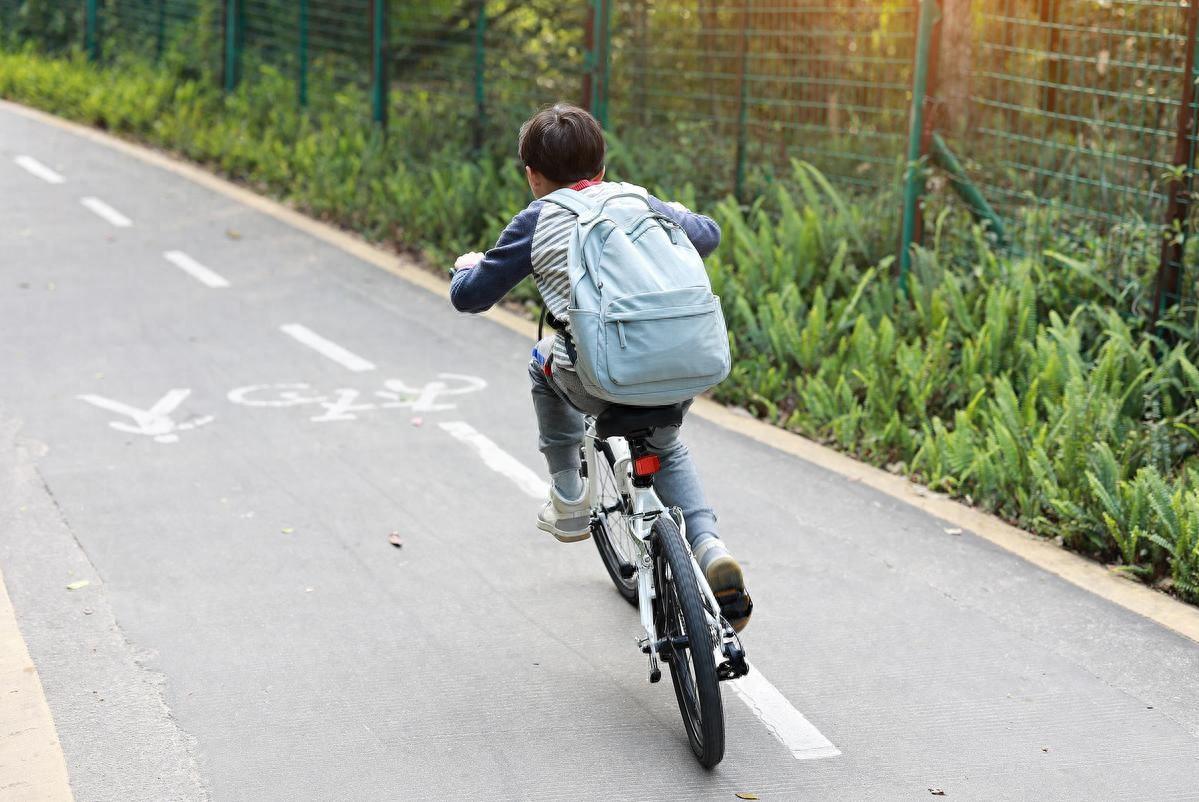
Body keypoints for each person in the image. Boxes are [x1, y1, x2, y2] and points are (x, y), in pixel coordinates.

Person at [449, 103, 749, 631]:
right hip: (683, 367)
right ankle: (709, 547)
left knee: (540, 359)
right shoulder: (637, 199)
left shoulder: (537, 218)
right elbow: (708, 235)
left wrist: (467, 267)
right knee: (668, 446)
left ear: (533, 175)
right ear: (603, 167)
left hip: (597, 379)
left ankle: (568, 495)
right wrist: (672, 210)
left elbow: (472, 298)